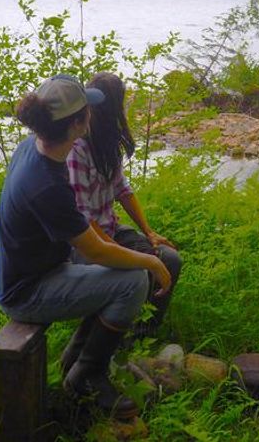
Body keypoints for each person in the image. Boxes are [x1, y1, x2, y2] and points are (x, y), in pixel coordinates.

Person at [0, 74, 172, 420]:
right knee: (133, 281)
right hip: (26, 291)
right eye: (88, 109)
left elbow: (92, 238)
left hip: (38, 269)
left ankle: (74, 357)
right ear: (78, 124)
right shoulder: (46, 184)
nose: (94, 113)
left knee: (121, 271)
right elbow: (97, 251)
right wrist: (153, 264)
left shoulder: (33, 147)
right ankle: (86, 374)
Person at [66, 72, 182, 342]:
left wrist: (149, 232)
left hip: (111, 229)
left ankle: (143, 333)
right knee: (138, 270)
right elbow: (82, 217)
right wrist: (117, 252)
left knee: (170, 260)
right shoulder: (78, 149)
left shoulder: (109, 143)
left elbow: (123, 191)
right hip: (85, 243)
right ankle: (110, 336)